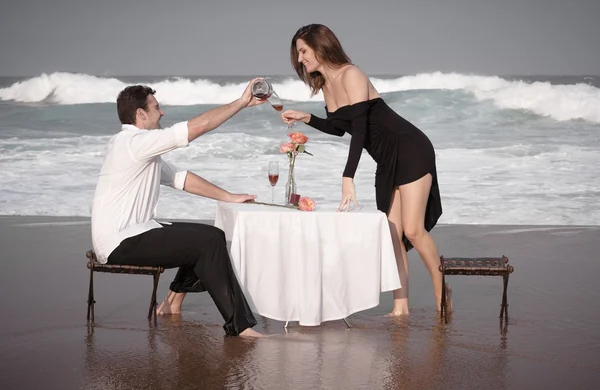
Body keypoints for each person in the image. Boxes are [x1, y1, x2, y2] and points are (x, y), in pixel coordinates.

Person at [281, 24, 449, 316]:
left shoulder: (352, 74)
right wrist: (307, 117)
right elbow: (338, 129)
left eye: (304, 51)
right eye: (298, 54)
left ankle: (442, 293)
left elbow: (359, 130)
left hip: (410, 148)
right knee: (392, 235)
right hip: (386, 159)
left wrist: (348, 177)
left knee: (412, 229)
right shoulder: (326, 85)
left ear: (321, 46)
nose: (301, 59)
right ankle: (401, 306)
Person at [91, 80, 266, 337]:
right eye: (156, 107)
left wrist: (229, 196)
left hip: (132, 233)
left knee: (207, 236)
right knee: (207, 241)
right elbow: (197, 127)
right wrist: (240, 103)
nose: (161, 112)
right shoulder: (135, 143)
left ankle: (172, 303)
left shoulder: (136, 147)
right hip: (120, 241)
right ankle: (241, 327)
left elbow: (181, 179)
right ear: (141, 114)